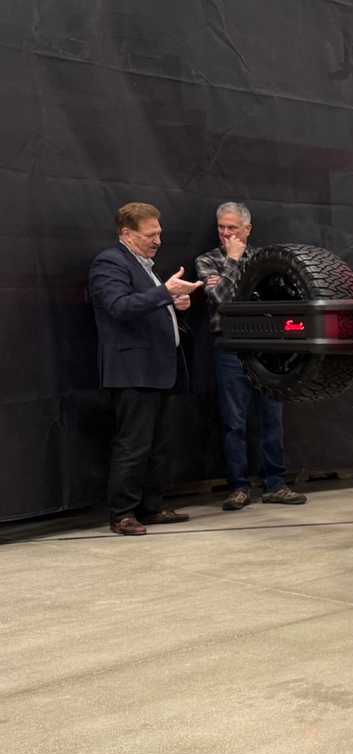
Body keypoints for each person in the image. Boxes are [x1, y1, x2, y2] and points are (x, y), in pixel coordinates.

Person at [88, 202, 202, 536]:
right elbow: (118, 307)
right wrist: (164, 293)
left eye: (159, 233)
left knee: (160, 444)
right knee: (133, 444)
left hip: (160, 369)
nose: (158, 241)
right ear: (126, 234)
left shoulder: (145, 265)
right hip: (133, 369)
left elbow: (151, 305)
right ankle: (122, 513)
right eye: (150, 235)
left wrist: (174, 302)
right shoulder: (110, 262)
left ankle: (151, 507)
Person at [197, 202, 307, 510]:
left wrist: (230, 278)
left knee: (272, 419)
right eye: (221, 227)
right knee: (234, 422)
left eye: (232, 227)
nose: (226, 233)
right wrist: (232, 262)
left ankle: (275, 484)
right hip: (230, 347)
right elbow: (219, 300)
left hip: (267, 349)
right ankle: (239, 487)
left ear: (247, 229)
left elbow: (281, 297)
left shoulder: (264, 260)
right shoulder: (208, 260)